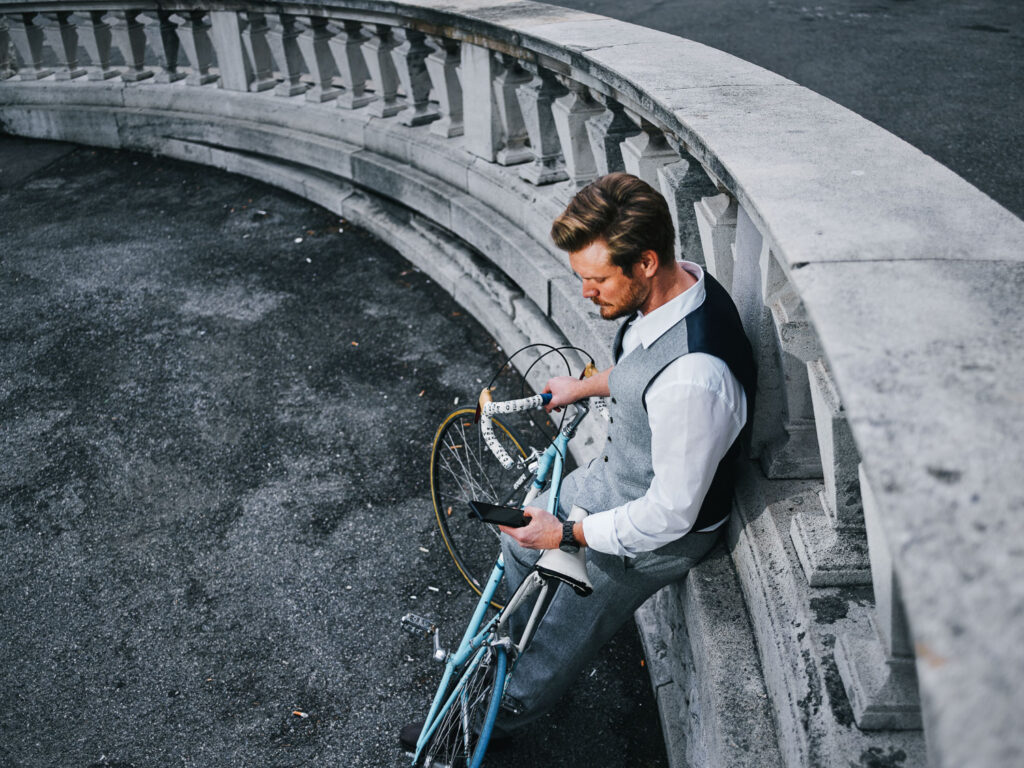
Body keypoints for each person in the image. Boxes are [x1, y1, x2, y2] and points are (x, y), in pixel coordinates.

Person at [492, 172, 756, 732]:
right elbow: (644, 371)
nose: (587, 293)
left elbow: (669, 514)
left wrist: (564, 536)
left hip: (656, 534)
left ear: (645, 263)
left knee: (563, 620)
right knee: (514, 537)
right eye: (580, 278)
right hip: (619, 479)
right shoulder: (679, 292)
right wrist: (585, 385)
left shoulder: (694, 381)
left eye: (596, 281)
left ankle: (504, 711)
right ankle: (520, 634)